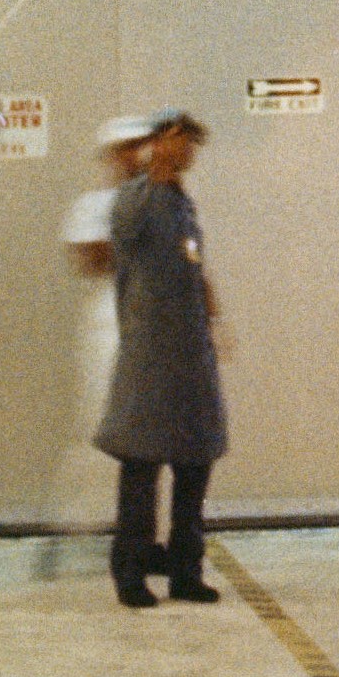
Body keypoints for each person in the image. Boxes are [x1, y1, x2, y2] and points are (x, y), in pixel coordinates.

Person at [95, 111, 227, 609]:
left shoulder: (182, 205)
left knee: (195, 466)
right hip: (149, 358)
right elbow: (124, 243)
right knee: (141, 471)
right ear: (158, 142)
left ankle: (185, 571)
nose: (187, 151)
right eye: (179, 140)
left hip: (191, 357)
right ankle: (130, 574)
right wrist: (152, 170)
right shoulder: (135, 200)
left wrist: (213, 317)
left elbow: (193, 266)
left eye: (192, 143)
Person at [54, 115, 155, 534]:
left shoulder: (163, 201)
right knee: (104, 417)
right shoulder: (91, 206)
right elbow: (92, 259)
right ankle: (94, 517)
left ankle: (147, 530)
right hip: (107, 325)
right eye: (127, 147)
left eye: (141, 145)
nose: (137, 155)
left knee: (153, 429)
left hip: (152, 325)